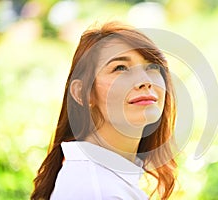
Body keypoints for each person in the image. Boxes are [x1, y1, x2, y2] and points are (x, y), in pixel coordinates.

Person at [31, 21, 177, 200]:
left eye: (152, 66)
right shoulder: (96, 190)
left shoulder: (107, 178)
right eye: (120, 68)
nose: (145, 80)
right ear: (83, 93)